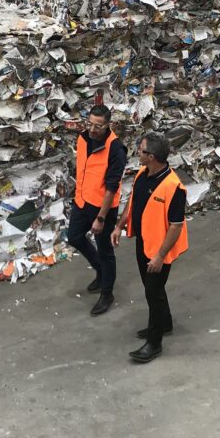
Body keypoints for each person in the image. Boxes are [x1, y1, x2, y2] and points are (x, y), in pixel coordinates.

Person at [111, 131, 188, 363]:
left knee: (152, 292)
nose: (138, 153)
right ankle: (165, 323)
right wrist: (119, 226)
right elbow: (133, 202)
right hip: (144, 241)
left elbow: (175, 226)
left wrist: (160, 256)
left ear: (152, 156)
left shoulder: (174, 187)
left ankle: (154, 343)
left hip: (160, 250)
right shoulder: (143, 175)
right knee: (151, 287)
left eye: (141, 150)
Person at [67, 104, 127, 316]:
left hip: (103, 209)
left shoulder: (116, 149)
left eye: (98, 127)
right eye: (90, 124)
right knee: (73, 237)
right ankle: (100, 270)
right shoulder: (83, 138)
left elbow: (112, 187)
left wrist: (101, 218)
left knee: (106, 251)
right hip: (82, 201)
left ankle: (107, 293)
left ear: (108, 125)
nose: (92, 130)